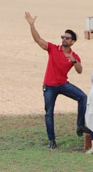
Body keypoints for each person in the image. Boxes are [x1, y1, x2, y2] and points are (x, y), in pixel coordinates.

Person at [25, 11, 88, 150]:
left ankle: (80, 125)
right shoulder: (54, 49)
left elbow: (80, 70)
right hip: (49, 86)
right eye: (63, 37)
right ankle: (51, 140)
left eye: (67, 38)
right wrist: (32, 26)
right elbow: (38, 40)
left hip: (63, 84)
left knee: (83, 97)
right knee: (49, 113)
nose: (64, 39)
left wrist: (75, 61)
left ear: (72, 41)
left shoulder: (73, 55)